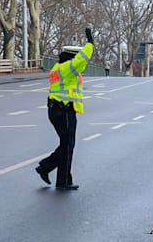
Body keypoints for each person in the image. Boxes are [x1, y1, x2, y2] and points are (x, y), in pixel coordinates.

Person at [35, 27, 94, 191]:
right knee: (68, 145)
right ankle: (47, 168)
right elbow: (81, 60)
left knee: (66, 145)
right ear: (72, 56)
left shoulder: (58, 67)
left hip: (58, 109)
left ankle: (62, 179)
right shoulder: (67, 68)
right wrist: (90, 44)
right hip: (64, 110)